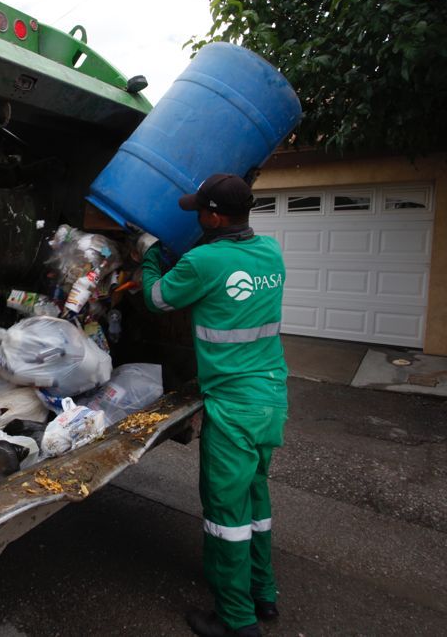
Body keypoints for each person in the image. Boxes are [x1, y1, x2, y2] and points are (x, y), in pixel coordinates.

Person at [138, 173, 288, 637]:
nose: (197, 217)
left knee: (226, 516)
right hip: (270, 396)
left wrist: (149, 254)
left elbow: (157, 298)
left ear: (216, 217)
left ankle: (236, 619)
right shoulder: (271, 252)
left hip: (234, 405)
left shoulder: (204, 261)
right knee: (255, 500)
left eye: (201, 210)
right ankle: (263, 594)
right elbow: (224, 276)